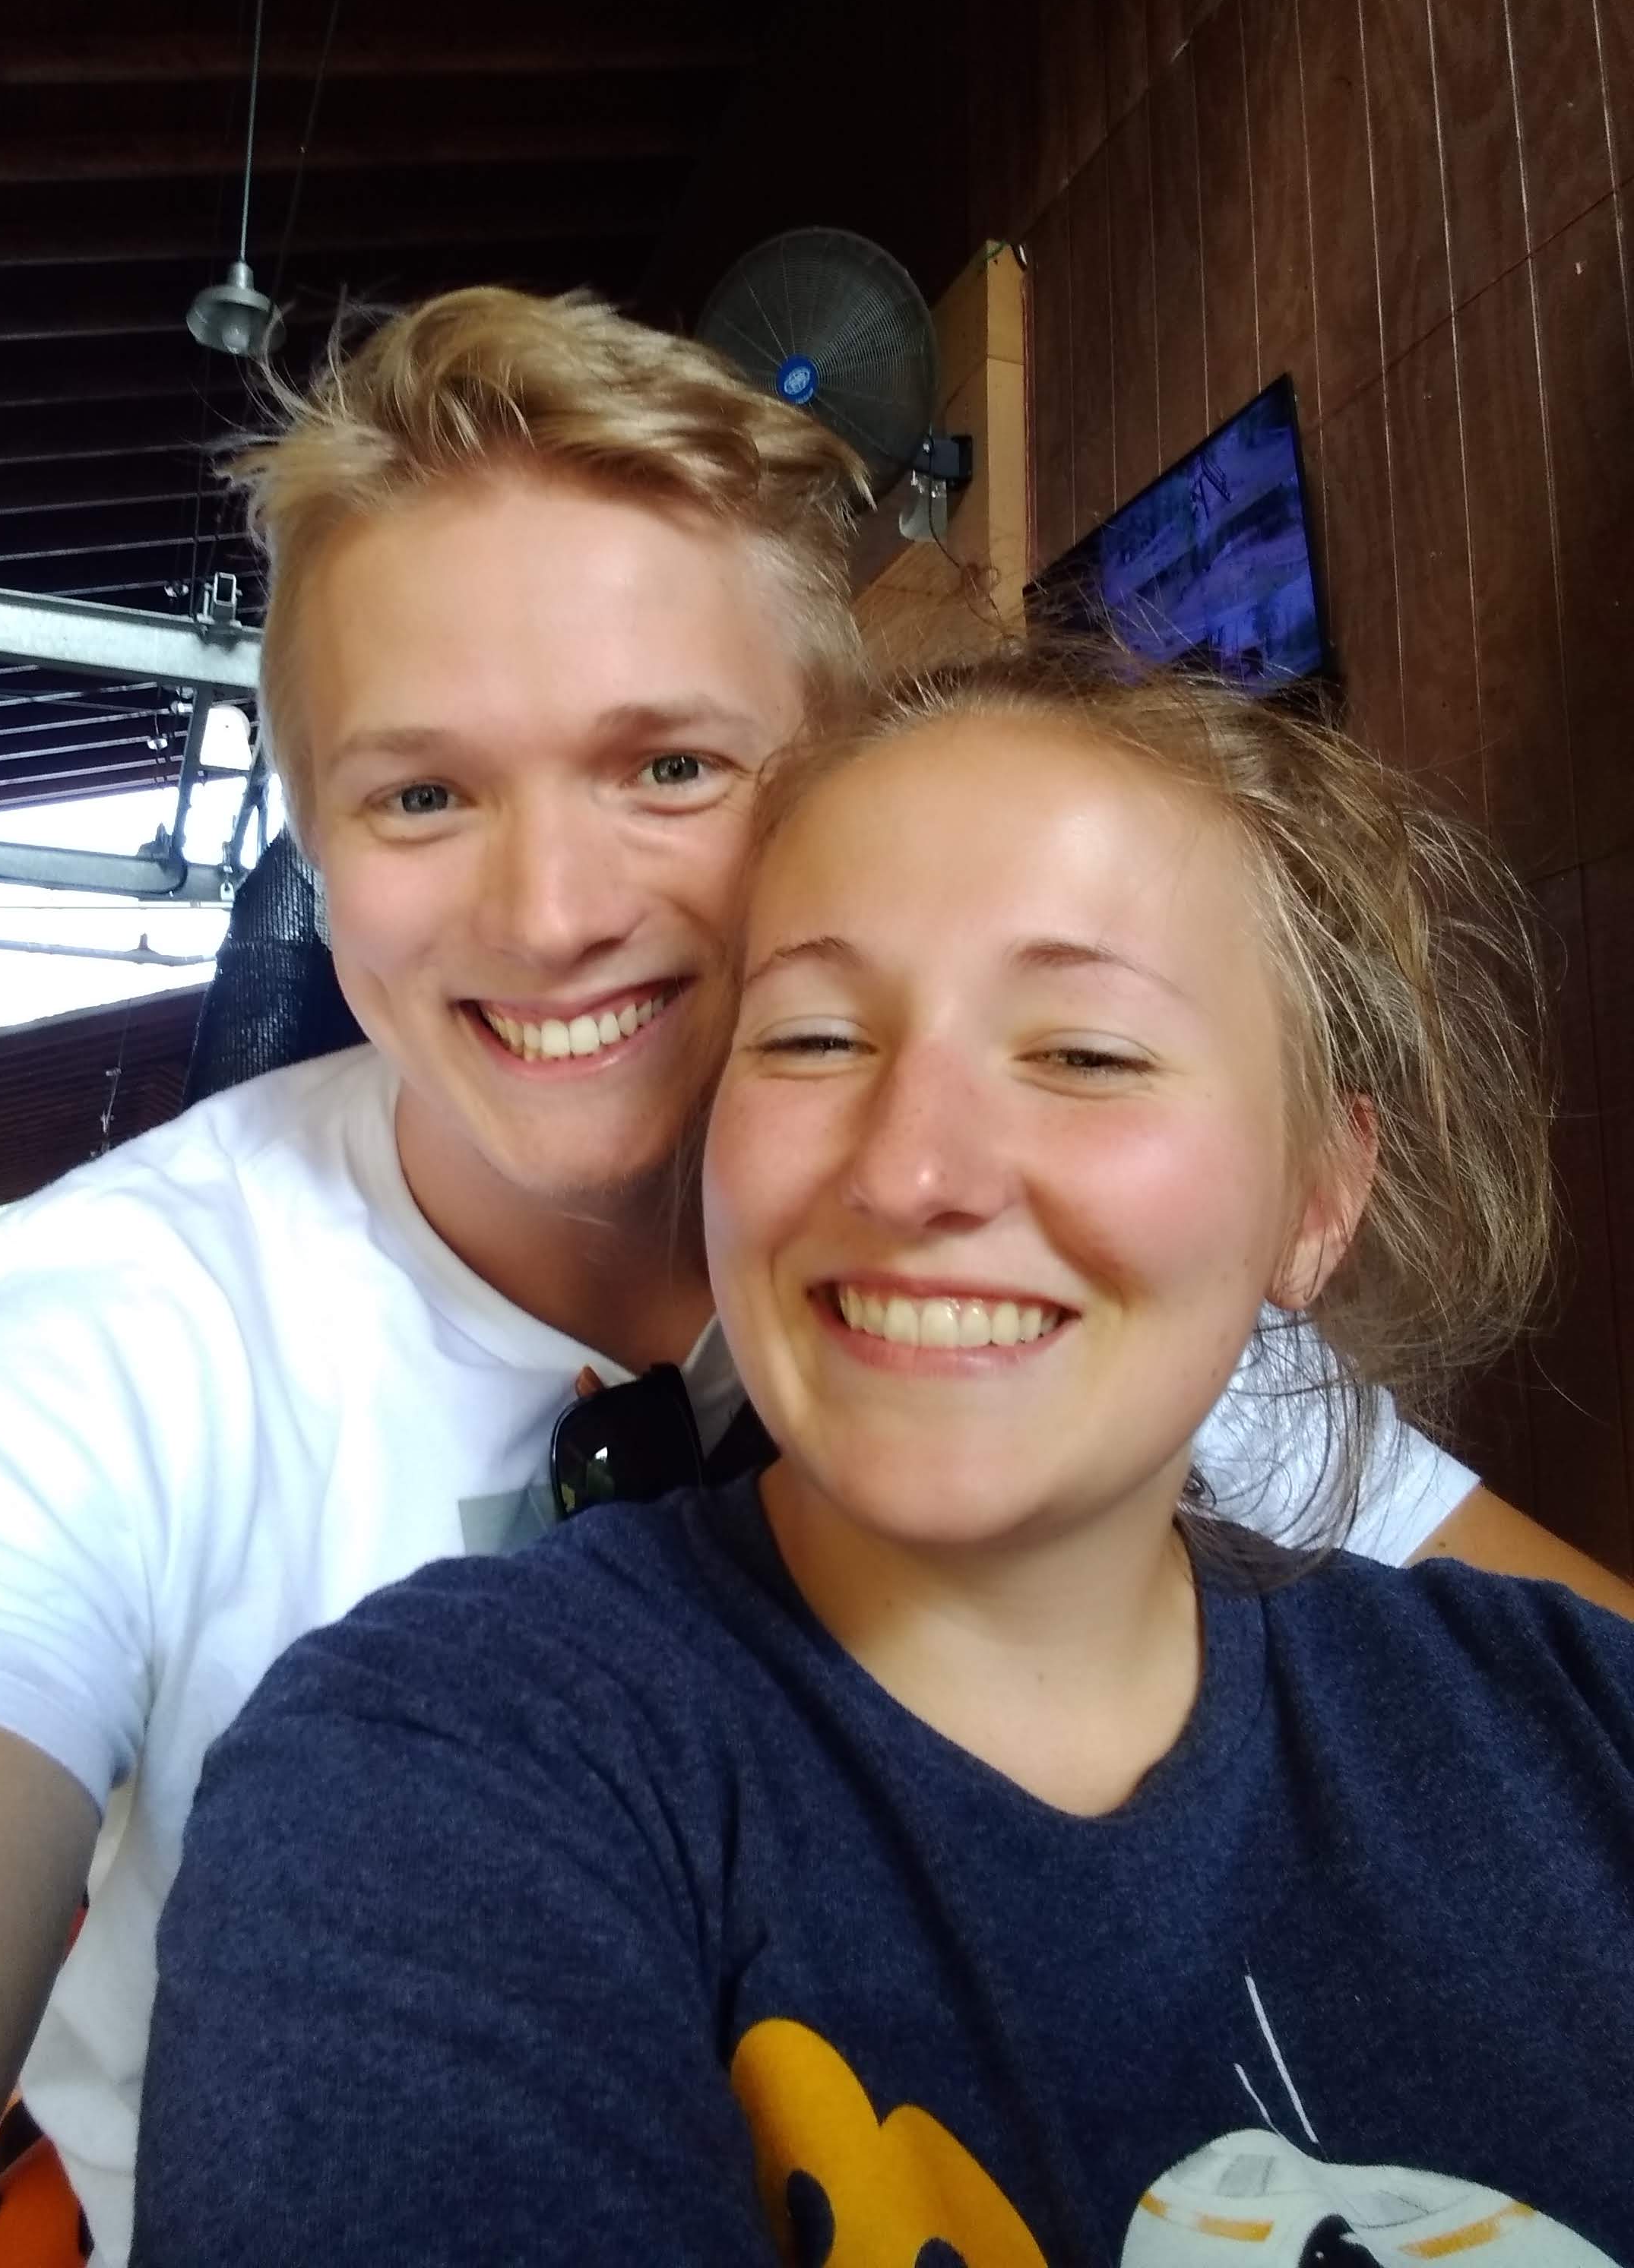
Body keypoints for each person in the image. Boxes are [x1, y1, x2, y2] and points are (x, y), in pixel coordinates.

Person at [0, 295, 1618, 2268]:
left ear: (835, 781)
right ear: (310, 838)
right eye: (420, 796)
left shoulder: (1054, 1296)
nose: (553, 912)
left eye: (666, 766)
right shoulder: (98, 1357)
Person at [135, 636, 1634, 2267]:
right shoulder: (434, 1785)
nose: (914, 1170)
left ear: (1321, 1199)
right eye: (815, 1041)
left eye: (1083, 1053)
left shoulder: (1572, 1722)